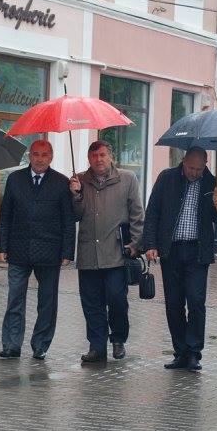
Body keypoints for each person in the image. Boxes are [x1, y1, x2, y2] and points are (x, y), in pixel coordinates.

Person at [143, 147, 217, 371]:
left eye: (199, 169)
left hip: (197, 251)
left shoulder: (212, 182)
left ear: (205, 164)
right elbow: (153, 212)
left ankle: (194, 353)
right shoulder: (167, 178)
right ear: (183, 161)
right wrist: (150, 244)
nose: (195, 173)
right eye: (191, 168)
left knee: (196, 301)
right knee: (174, 303)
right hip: (171, 249)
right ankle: (180, 351)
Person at [0, 139, 75, 360]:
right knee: (15, 299)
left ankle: (40, 344)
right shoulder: (15, 179)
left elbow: (68, 220)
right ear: (29, 156)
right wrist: (1, 245)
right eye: (36, 154)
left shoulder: (62, 183)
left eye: (45, 155)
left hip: (50, 250)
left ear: (51, 157)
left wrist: (67, 252)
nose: (40, 159)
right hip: (19, 248)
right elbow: (5, 214)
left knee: (47, 301)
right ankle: (11, 345)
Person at [69, 140, 144, 363]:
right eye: (94, 156)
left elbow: (137, 214)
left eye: (102, 155)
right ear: (88, 159)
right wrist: (76, 195)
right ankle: (97, 346)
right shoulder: (80, 180)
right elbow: (74, 215)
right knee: (91, 303)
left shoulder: (127, 179)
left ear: (110, 156)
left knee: (117, 299)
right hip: (88, 253)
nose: (98, 159)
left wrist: (136, 243)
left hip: (117, 253)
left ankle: (118, 339)